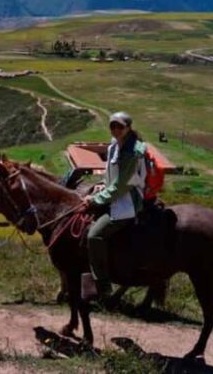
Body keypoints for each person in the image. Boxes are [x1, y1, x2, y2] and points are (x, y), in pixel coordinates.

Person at [83, 112, 147, 300]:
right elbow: (111, 176)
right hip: (113, 196)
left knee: (94, 235)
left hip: (126, 202)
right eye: (113, 126)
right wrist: (101, 185)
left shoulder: (133, 151)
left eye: (120, 126)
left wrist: (96, 200)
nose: (116, 130)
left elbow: (122, 186)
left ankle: (103, 285)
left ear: (128, 127)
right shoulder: (114, 145)